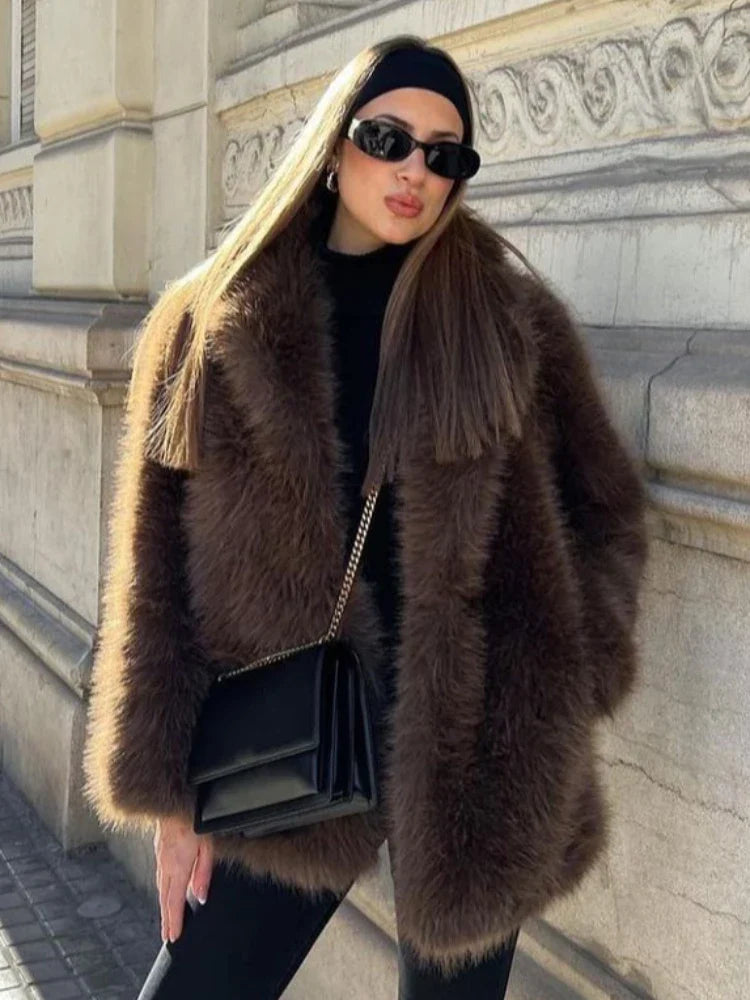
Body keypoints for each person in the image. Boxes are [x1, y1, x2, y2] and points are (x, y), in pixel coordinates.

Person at [81, 33, 649, 1000]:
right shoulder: (212, 317)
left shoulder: (506, 322)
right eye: (388, 138)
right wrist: (176, 791)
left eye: (445, 154)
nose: (414, 171)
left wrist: (561, 672)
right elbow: (154, 574)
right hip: (285, 731)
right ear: (335, 142)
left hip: (477, 745)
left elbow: (608, 511)